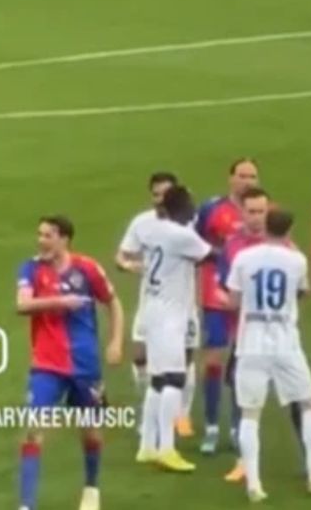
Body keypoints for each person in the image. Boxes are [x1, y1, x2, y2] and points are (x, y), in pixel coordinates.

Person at [228, 209, 311, 502]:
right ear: (290, 230)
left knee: (250, 413)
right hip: (285, 340)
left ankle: (254, 483)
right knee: (307, 405)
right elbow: (303, 292)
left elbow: (234, 300)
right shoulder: (296, 260)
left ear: (264, 227)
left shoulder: (244, 258)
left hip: (251, 339)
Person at [16, 215, 124, 510]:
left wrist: (115, 341)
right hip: (46, 366)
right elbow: (22, 305)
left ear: (64, 239)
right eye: (39, 234)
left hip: (85, 366)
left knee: (90, 429)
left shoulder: (87, 269)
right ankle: (26, 505)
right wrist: (58, 303)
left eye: (48, 235)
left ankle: (91, 490)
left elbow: (113, 302)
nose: (41, 240)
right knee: (32, 430)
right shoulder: (31, 268)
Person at [217, 188, 308, 483]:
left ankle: (310, 457)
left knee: (297, 399)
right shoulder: (232, 246)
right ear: (241, 212)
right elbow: (223, 286)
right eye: (251, 211)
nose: (256, 218)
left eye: (262, 212)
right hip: (244, 333)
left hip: (279, 335)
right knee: (241, 395)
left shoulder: (288, 249)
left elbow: (299, 291)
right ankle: (243, 460)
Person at [136, 186, 213, 472]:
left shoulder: (158, 230)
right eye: (189, 203)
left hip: (154, 308)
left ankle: (147, 445)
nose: (193, 208)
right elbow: (212, 256)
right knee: (174, 379)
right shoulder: (182, 235)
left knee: (157, 380)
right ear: (180, 206)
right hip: (171, 312)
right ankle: (166, 448)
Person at [116, 172, 198, 437]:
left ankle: (181, 415)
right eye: (155, 194)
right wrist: (132, 266)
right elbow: (122, 255)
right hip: (151, 301)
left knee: (183, 360)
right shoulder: (142, 223)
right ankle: (151, 413)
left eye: (165, 194)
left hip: (182, 302)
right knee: (142, 358)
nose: (159, 199)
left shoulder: (189, 223)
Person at [195, 158, 259, 453]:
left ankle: (235, 426)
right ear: (230, 178)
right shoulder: (212, 209)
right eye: (242, 176)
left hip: (249, 300)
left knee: (241, 365)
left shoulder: (262, 210)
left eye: (252, 176)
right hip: (216, 295)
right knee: (213, 361)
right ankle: (210, 426)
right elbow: (192, 243)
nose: (247, 181)